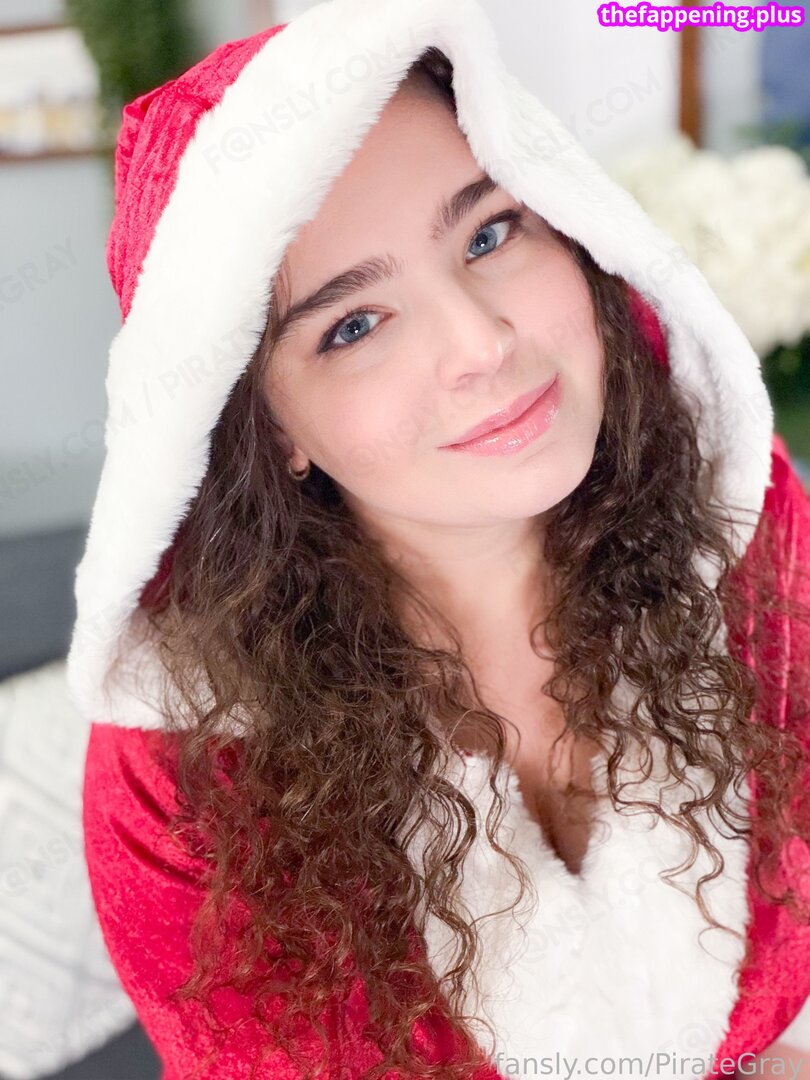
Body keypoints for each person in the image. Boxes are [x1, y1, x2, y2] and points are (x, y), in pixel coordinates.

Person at [69, 1, 810, 1078]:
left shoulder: (750, 535)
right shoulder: (186, 774)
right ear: (269, 429)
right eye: (353, 325)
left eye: (490, 234)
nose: (481, 342)